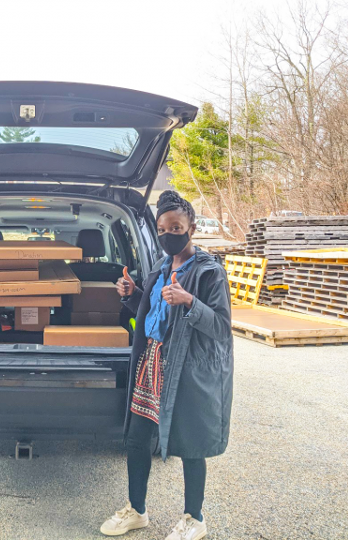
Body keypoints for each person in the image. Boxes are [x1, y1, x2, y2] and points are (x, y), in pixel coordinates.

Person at [99, 190, 233, 540]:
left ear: (191, 228)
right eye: (162, 229)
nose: (167, 234)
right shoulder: (160, 268)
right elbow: (155, 317)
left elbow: (220, 327)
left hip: (186, 368)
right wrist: (132, 296)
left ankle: (194, 519)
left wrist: (190, 301)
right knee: (137, 439)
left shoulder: (209, 272)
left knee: (190, 443)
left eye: (176, 227)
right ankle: (137, 511)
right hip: (151, 362)